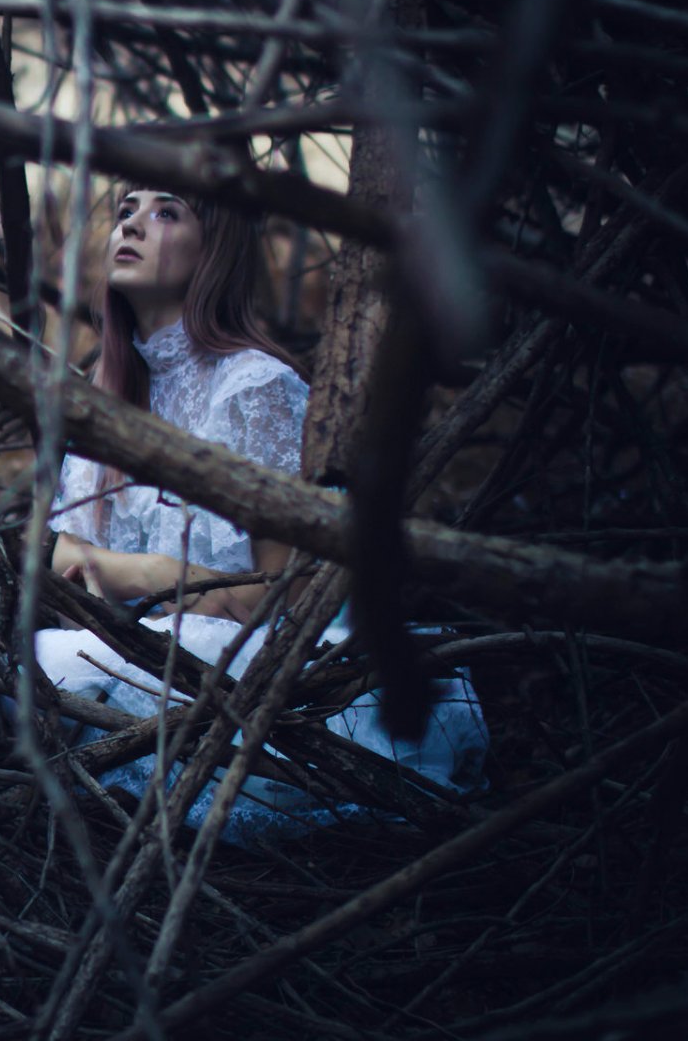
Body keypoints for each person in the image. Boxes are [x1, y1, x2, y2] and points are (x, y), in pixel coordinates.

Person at [34, 188, 488, 844]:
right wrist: (118, 584)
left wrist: (150, 573)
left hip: (266, 660)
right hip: (147, 649)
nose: (131, 222)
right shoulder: (105, 403)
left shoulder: (254, 388)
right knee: (42, 661)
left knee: (58, 665)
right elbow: (67, 567)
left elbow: (285, 597)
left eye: (166, 212)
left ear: (214, 248)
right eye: (126, 210)